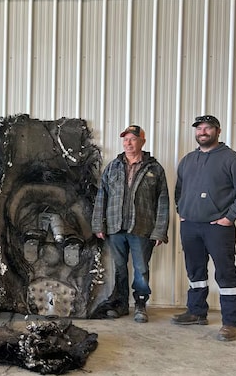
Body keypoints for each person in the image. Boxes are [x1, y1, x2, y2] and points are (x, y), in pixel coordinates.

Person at [171, 115, 236, 342]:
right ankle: (197, 311)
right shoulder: (188, 160)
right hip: (190, 226)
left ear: (218, 131)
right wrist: (182, 211)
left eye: (207, 128)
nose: (202, 132)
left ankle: (231, 323)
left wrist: (230, 217)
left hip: (218, 228)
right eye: (199, 128)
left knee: (225, 273)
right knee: (195, 271)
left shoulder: (232, 159)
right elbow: (179, 190)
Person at [91, 125, 169, 323]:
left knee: (141, 269)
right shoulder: (113, 167)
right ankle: (121, 304)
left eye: (133, 139)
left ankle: (140, 304)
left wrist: (160, 231)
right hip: (115, 228)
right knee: (119, 268)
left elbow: (163, 201)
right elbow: (102, 196)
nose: (128, 143)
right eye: (125, 139)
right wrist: (98, 225)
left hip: (142, 228)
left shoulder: (154, 169)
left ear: (142, 141)